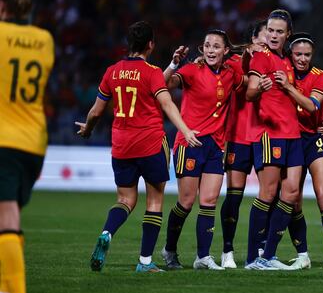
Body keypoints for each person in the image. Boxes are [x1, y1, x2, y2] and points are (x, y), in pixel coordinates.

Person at [75, 21, 201, 273]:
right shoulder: (151, 72)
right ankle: (145, 262)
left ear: (129, 43)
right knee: (154, 202)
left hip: (121, 145)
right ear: (151, 44)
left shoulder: (112, 71)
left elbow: (96, 111)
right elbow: (167, 104)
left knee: (124, 199)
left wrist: (88, 129)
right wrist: (185, 130)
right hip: (151, 143)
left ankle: (107, 233)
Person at [161, 29, 244, 270]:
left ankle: (203, 257)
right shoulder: (191, 70)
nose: (210, 50)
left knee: (209, 201)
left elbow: (250, 84)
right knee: (186, 202)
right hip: (190, 143)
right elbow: (163, 84)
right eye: (207, 45)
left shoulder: (230, 74)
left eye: (216, 46)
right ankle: (169, 249)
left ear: (225, 51)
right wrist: (173, 64)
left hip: (216, 146)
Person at [0, 0, 54, 293]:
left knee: (6, 217)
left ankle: (15, 288)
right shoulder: (44, 40)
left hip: (4, 139)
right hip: (33, 141)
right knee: (10, 217)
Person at [276, 32, 323, 271]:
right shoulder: (282, 72)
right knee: (293, 201)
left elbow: (312, 105)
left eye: (307, 54)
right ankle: (303, 255)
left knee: (322, 192)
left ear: (312, 55)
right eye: (298, 54)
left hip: (315, 138)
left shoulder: (320, 76)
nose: (303, 59)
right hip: (291, 139)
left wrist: (288, 88)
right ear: (290, 54)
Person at [244, 9, 303, 270]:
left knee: (290, 193)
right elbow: (249, 93)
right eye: (271, 30)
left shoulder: (289, 61)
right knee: (268, 192)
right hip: (271, 134)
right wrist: (260, 88)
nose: (274, 35)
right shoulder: (262, 57)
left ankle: (267, 255)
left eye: (280, 31)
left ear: (288, 34)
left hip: (293, 134)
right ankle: (251, 257)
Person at [219, 20, 267, 268]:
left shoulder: (275, 62)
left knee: (267, 196)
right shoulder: (233, 62)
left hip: (265, 138)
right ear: (253, 39)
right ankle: (227, 250)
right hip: (237, 136)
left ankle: (261, 249)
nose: (269, 40)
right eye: (265, 35)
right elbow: (212, 71)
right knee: (234, 196)